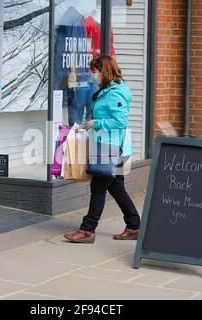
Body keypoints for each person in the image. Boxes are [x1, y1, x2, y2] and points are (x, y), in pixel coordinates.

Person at [64, 55, 141, 244]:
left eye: (95, 72)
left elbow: (120, 121)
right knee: (117, 188)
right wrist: (86, 125)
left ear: (104, 71)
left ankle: (87, 230)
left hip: (111, 148)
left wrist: (95, 123)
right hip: (112, 146)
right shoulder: (109, 90)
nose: (92, 75)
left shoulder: (115, 93)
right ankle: (134, 226)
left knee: (98, 187)